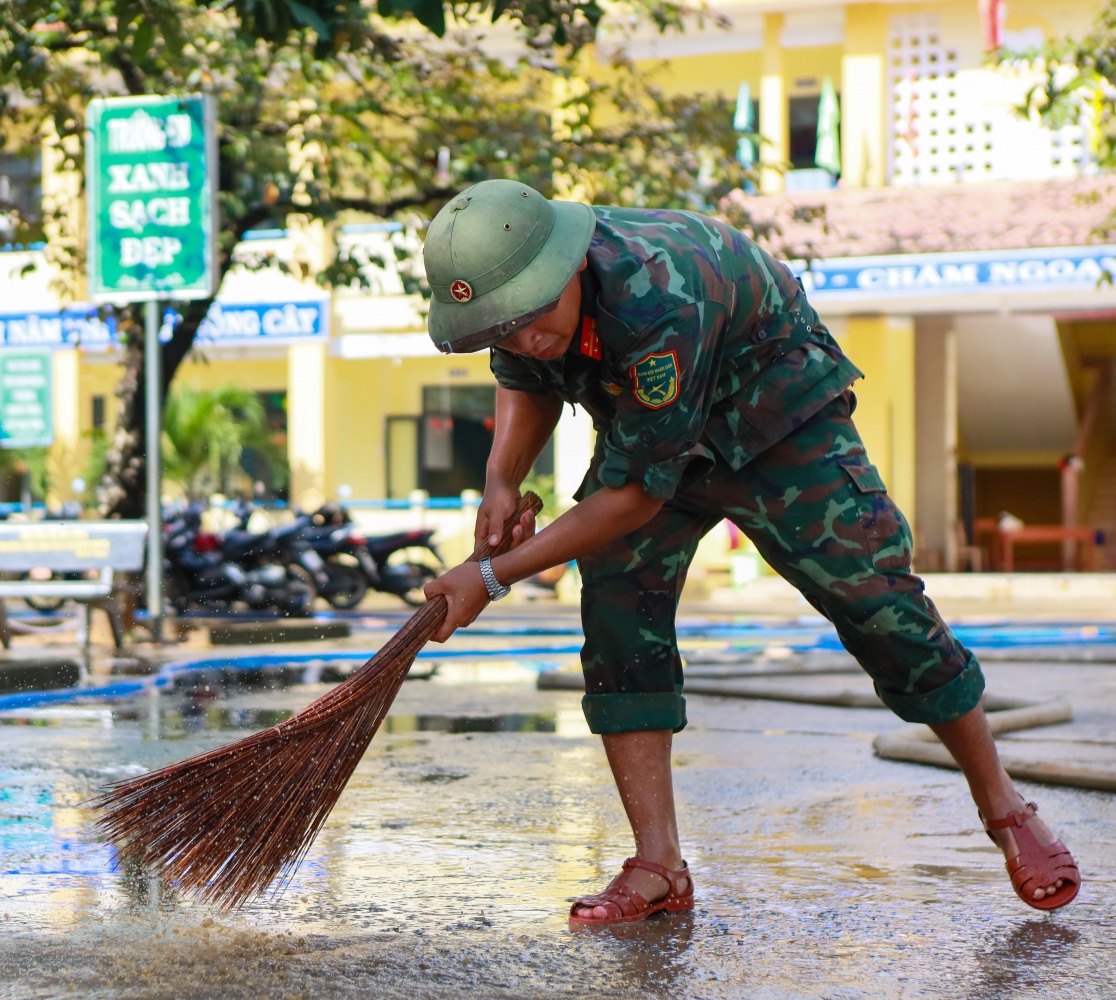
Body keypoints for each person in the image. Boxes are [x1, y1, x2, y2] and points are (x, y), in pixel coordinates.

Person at [418, 179, 1080, 928]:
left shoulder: (656, 297)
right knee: (616, 613)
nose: (523, 339)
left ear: (570, 269)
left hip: (777, 420)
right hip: (654, 428)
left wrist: (490, 576)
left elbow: (637, 494)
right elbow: (526, 377)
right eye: (499, 328)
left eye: (531, 319)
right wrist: (501, 482)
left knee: (878, 603)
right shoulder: (528, 305)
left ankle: (1005, 808)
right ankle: (658, 863)